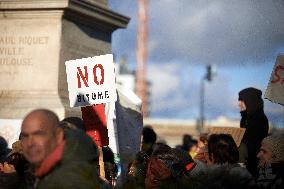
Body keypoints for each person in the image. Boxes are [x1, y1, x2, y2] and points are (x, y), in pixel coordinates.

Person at [21, 109, 107, 189]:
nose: (30, 143)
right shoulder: (48, 171)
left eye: (39, 134)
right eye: (24, 136)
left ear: (58, 136)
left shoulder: (70, 179)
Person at [238, 87, 269, 177]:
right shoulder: (245, 119)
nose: (239, 104)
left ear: (250, 101)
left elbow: (253, 145)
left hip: (253, 164)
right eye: (239, 101)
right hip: (245, 162)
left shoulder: (259, 119)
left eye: (242, 101)